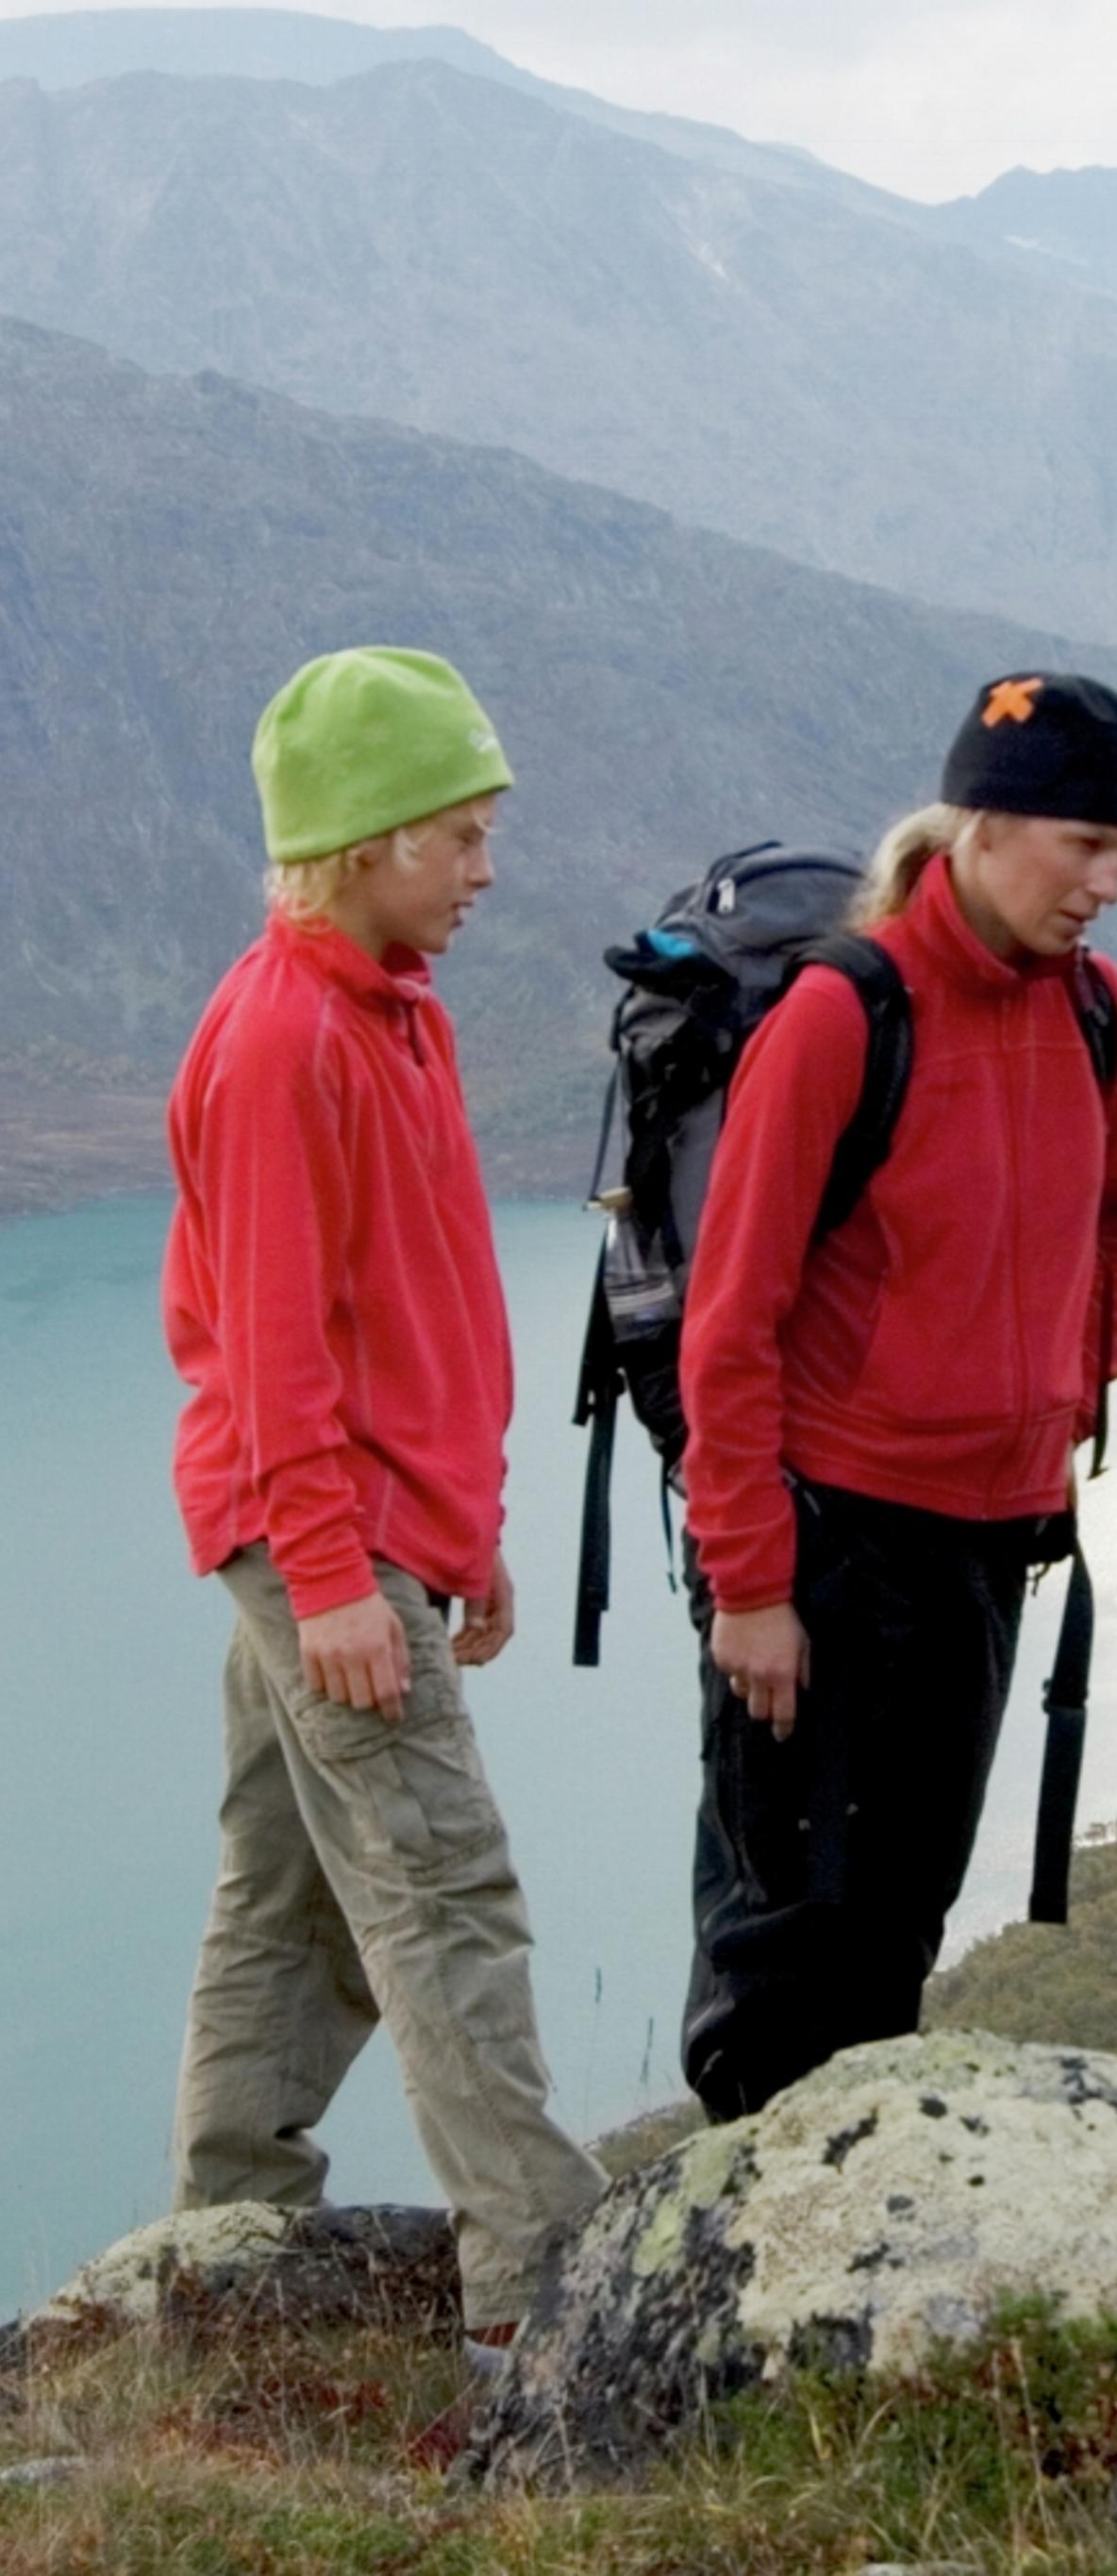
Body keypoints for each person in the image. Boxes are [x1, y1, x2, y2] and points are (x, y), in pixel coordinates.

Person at [162, 647, 604, 2341]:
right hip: (314, 1536)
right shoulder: (283, 1041)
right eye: (459, 836)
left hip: (373, 1529)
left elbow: (414, 1302)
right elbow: (273, 1347)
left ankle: (224, 2240)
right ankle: (538, 2278)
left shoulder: (396, 1009)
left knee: (288, 1891)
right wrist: (341, 1573)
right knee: (442, 1888)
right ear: (361, 840)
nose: (486, 870)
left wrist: (464, 1526)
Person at [675, 672, 1117, 2121]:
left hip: (988, 1545)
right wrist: (751, 1583)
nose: (1108, 885)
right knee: (788, 1937)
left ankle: (851, 2251)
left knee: (897, 1924)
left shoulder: (1099, 1015)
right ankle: (736, 2281)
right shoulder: (846, 1013)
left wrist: (1060, 1389)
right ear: (988, 818)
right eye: (1086, 843)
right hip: (834, 1549)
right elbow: (731, 1323)